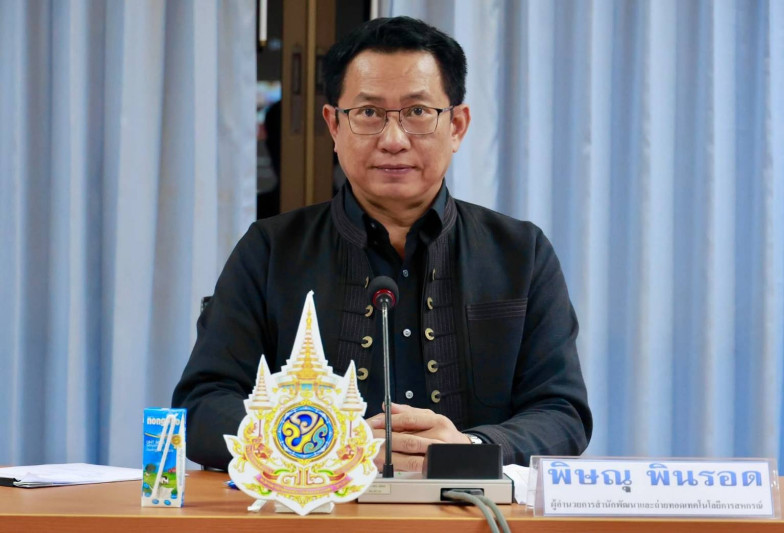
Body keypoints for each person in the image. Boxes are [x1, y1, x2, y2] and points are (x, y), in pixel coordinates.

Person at [172, 16, 592, 472]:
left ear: (457, 126)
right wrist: (327, 447)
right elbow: (202, 406)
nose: (393, 140)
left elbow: (562, 413)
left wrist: (470, 447)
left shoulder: (521, 253)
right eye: (369, 113)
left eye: (418, 112)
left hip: (470, 505)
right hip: (320, 505)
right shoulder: (270, 251)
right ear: (334, 126)